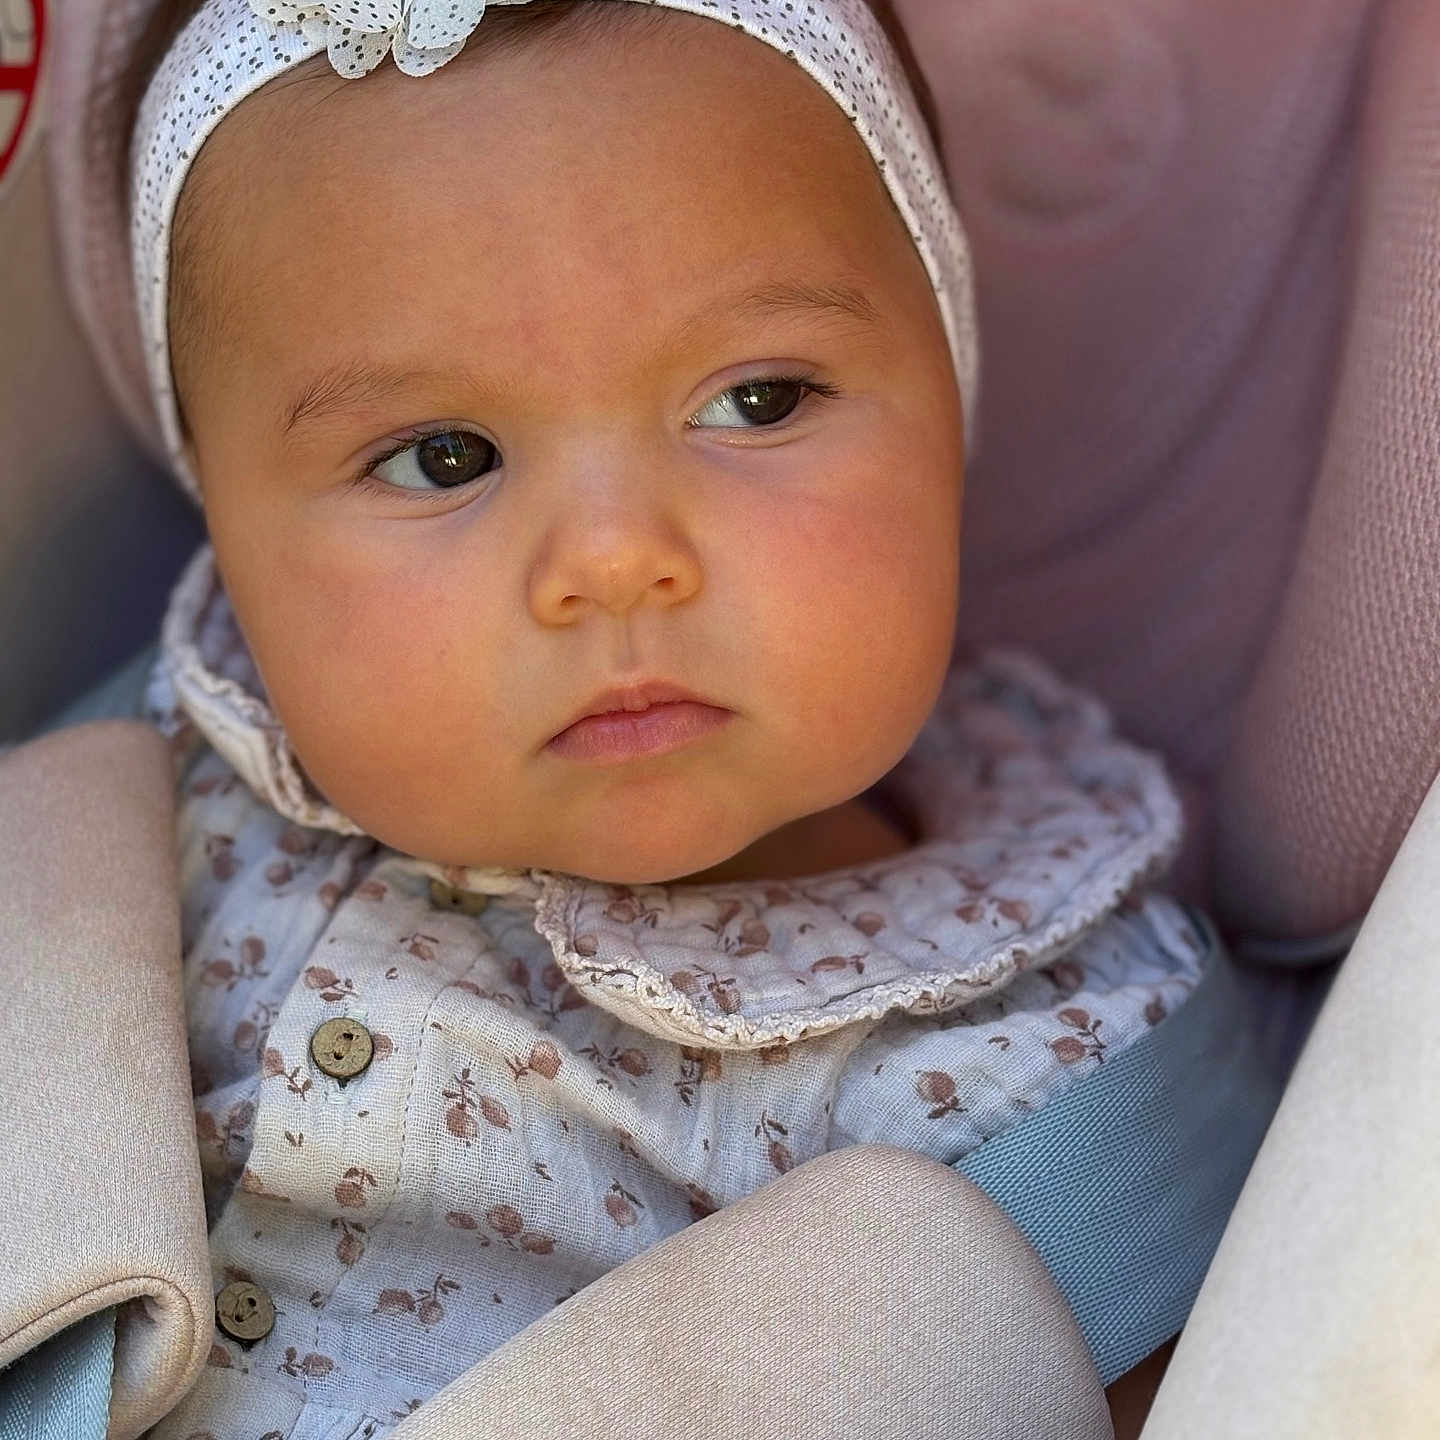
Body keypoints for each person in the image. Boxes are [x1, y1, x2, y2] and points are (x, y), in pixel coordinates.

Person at [32, 0, 1286, 1432]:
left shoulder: (1054, 1042)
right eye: (444, 456)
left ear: (951, 396)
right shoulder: (165, 768)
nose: (617, 559)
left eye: (755, 400)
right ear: (232, 540)